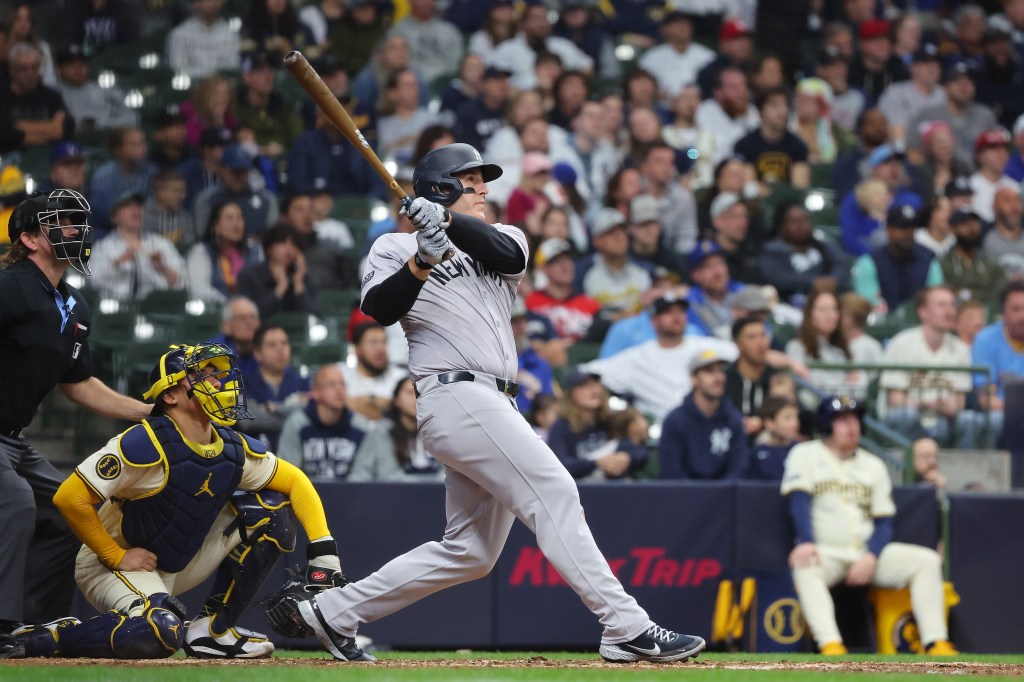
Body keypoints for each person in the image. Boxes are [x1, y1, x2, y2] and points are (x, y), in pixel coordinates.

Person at [271, 142, 706, 663]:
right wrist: (422, 259)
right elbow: (379, 310)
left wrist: (448, 225)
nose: (484, 191)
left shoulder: (503, 238)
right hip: (452, 393)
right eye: (472, 182)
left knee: (470, 553)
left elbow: (509, 255)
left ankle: (331, 612)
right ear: (441, 188)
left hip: (494, 402)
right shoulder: (392, 247)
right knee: (556, 489)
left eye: (484, 182)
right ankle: (625, 625)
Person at [4, 343, 347, 660]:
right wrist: (115, 555)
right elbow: (69, 497)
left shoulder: (229, 445)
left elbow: (296, 481)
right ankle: (55, 636)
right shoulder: (145, 442)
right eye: (200, 376)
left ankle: (211, 631)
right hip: (111, 564)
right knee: (158, 632)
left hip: (175, 562)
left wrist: (323, 548)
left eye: (214, 375)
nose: (216, 383)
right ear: (170, 394)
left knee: (272, 511)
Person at [0, 190, 154, 655]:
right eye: (62, 223)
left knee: (72, 508)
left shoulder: (74, 306)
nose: (76, 230)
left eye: (78, 222)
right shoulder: (11, 286)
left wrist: (148, 411)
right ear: (28, 238)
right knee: (17, 502)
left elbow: (79, 382)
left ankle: (34, 625)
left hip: (13, 440)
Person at [781, 395, 958, 656]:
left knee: (927, 560)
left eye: (854, 418)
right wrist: (805, 541)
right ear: (826, 424)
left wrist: (871, 556)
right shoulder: (804, 454)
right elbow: (799, 502)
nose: (851, 425)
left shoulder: (873, 464)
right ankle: (830, 643)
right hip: (826, 551)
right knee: (804, 566)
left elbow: (884, 521)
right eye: (841, 420)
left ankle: (935, 641)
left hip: (867, 553)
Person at [582, 292, 738, 424]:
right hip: (662, 430)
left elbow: (740, 353)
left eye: (680, 311)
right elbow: (587, 371)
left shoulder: (704, 346)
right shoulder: (638, 356)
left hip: (709, 423)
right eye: (668, 312)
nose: (676, 317)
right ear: (653, 321)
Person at [880, 286, 989, 448]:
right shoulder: (901, 343)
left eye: (952, 305)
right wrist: (927, 403)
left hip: (943, 421)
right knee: (906, 416)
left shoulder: (961, 349)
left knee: (971, 420)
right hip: (909, 420)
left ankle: (963, 470)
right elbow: (896, 400)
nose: (949, 311)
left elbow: (959, 401)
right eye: (941, 305)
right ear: (923, 312)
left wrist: (950, 406)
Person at [277, 364, 383, 482]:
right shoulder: (296, 424)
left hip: (350, 496)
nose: (339, 390)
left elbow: (362, 475)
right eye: (331, 384)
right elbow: (288, 473)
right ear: (315, 392)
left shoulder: (361, 427)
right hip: (305, 496)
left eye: (342, 384)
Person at [658, 348, 749, 481]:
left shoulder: (733, 419)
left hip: (725, 498)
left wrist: (720, 495)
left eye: (720, 371)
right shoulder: (675, 421)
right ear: (694, 378)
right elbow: (671, 472)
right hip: (683, 497)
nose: (718, 377)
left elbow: (739, 468)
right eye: (709, 371)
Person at [546, 370, 648, 482]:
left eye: (596, 385)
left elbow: (641, 452)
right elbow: (560, 466)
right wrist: (597, 463)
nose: (594, 390)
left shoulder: (611, 420)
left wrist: (628, 458)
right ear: (571, 393)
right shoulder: (561, 427)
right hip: (582, 491)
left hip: (614, 488)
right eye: (586, 386)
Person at [88, 193, 186, 302]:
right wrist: (116, 264)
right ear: (114, 217)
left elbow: (181, 283)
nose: (135, 210)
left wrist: (162, 266)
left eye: (137, 206)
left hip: (158, 304)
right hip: (119, 307)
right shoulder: (103, 248)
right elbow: (94, 283)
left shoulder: (161, 244)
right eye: (128, 206)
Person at [348, 376, 445, 482]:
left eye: (422, 393)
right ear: (397, 400)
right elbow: (389, 477)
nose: (417, 398)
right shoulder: (383, 432)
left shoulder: (440, 431)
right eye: (410, 393)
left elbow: (449, 474)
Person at [853, 204, 943, 313]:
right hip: (882, 324)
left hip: (920, 323)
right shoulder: (869, 262)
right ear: (888, 229)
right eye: (902, 228)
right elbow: (868, 303)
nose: (907, 233)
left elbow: (936, 297)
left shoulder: (928, 259)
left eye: (911, 228)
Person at [759, 201, 850, 303]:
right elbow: (778, 278)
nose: (801, 225)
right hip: (786, 303)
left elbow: (842, 263)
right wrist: (812, 282)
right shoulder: (772, 250)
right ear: (781, 225)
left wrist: (832, 280)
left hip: (827, 301)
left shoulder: (823, 245)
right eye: (794, 221)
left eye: (804, 220)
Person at [241, 324, 310, 450]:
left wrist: (274, 408)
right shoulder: (242, 383)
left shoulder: (304, 383)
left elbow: (309, 416)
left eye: (284, 343)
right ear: (257, 353)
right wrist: (290, 408)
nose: (280, 349)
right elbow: (246, 420)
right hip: (255, 459)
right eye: (272, 345)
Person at [186, 201, 263, 305]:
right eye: (229, 219)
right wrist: (229, 305)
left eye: (239, 218)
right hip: (216, 312)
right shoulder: (201, 251)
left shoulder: (256, 250)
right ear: (216, 226)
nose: (236, 224)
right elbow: (199, 290)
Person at [733, 88, 810, 189]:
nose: (783, 112)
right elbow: (748, 187)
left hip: (788, 201)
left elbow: (800, 188)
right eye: (775, 106)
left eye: (785, 106)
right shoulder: (745, 145)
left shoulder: (798, 146)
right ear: (761, 112)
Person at [237, 224, 316, 320]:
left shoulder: (304, 278)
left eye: (294, 244)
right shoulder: (249, 276)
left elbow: (314, 318)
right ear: (269, 248)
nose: (289, 249)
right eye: (283, 242)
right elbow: (251, 315)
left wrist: (298, 284)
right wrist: (281, 287)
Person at [341, 322, 407, 423]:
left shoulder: (400, 377)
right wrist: (383, 404)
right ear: (357, 349)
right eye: (373, 343)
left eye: (384, 342)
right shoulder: (341, 375)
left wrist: (362, 401)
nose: (380, 349)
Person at [939, 207, 1006, 305]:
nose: (972, 228)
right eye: (965, 224)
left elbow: (1000, 292)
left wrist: (965, 294)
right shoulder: (945, 263)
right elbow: (947, 294)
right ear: (953, 229)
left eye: (975, 223)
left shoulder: (990, 262)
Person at [724, 316, 777, 438]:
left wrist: (762, 423)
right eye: (752, 337)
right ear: (738, 344)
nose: (761, 343)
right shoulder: (725, 380)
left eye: (763, 335)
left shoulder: (776, 379)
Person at [166, 0, 241, 78]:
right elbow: (178, 69)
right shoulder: (180, 35)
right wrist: (207, 77)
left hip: (223, 85)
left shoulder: (230, 33)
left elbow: (233, 66)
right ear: (195, 5)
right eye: (208, 1)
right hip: (192, 86)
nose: (214, 4)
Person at [746, 396, 801, 481]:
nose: (795, 423)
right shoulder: (756, 454)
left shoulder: (801, 451)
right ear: (769, 423)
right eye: (787, 418)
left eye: (796, 417)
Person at [209, 296, 261, 375]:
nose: (249, 322)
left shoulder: (267, 348)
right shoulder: (213, 352)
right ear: (227, 326)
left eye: (253, 317)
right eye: (242, 318)